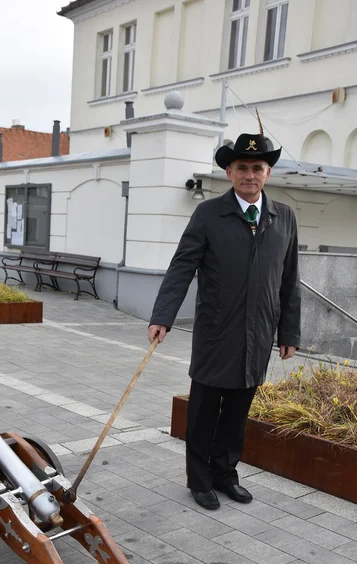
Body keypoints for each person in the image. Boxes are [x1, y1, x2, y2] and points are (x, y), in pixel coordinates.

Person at [148, 132, 301, 510]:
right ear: (229, 172)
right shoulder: (208, 214)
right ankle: (199, 480)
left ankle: (225, 474)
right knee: (203, 411)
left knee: (237, 412)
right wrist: (162, 316)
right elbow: (182, 267)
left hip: (259, 332)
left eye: (257, 168)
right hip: (217, 331)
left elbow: (289, 279)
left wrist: (289, 332)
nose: (250, 174)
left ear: (268, 173)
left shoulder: (284, 217)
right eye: (242, 168)